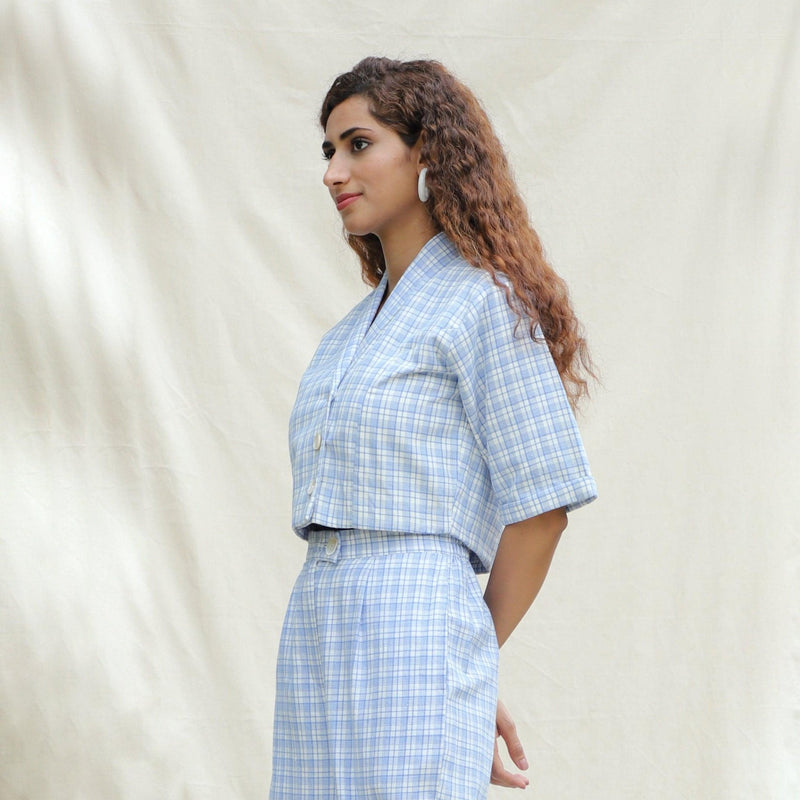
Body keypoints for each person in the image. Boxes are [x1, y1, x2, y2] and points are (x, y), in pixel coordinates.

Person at [269, 56, 597, 799]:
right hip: (318, 624)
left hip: (417, 618)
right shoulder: (347, 336)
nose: (333, 171)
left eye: (357, 143)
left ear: (425, 152)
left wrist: (467, 657)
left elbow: (542, 509)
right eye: (328, 151)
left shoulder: (484, 303)